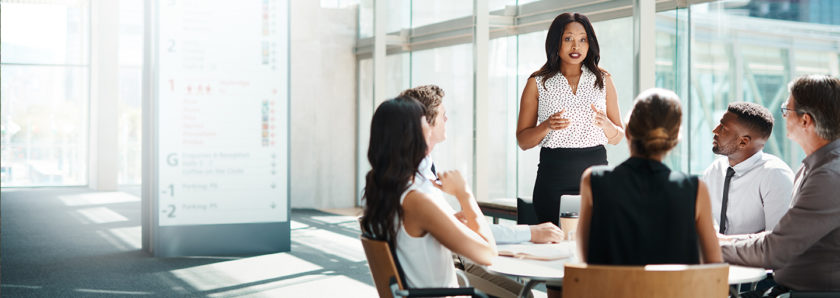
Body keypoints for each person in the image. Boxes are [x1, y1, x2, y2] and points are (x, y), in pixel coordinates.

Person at [401, 85, 563, 298]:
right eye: (443, 115)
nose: (447, 120)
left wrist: (454, 220)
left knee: (524, 293)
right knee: (523, 296)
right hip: (444, 274)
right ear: (426, 124)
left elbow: (453, 229)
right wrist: (464, 194)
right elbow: (485, 251)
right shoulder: (418, 191)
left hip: (450, 260)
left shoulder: (416, 176)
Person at [359, 97, 497, 288]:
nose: (431, 127)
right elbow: (488, 254)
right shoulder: (416, 200)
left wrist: (447, 222)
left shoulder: (383, 189)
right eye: (425, 121)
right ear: (411, 134)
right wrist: (464, 193)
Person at [720, 74, 840, 295]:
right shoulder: (811, 167)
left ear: (805, 120)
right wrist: (722, 240)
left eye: (787, 109)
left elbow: (777, 249)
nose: (782, 115)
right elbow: (781, 236)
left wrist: (713, 246)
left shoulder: (830, 175)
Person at [576, 88, 722, 265]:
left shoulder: (593, 180)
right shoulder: (695, 189)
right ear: (675, 139)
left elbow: (584, 262)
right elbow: (715, 270)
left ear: (628, 132)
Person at [516, 12, 624, 226]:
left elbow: (618, 137)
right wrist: (546, 126)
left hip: (596, 180)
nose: (576, 46)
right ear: (556, 42)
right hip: (553, 180)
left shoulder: (603, 80)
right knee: (555, 244)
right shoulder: (537, 83)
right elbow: (523, 141)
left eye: (583, 39)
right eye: (568, 39)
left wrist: (607, 125)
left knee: (595, 245)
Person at [702, 102, 794, 235]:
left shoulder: (776, 175)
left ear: (743, 142)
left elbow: (779, 242)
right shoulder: (714, 170)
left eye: (723, 128)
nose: (715, 130)